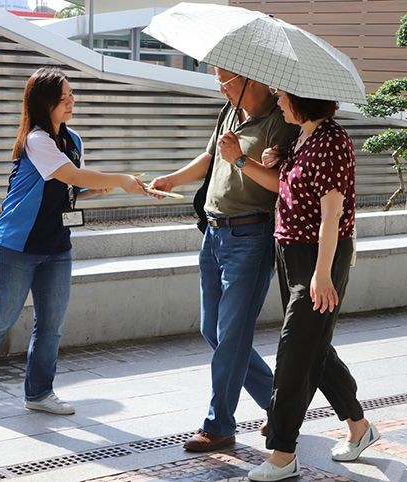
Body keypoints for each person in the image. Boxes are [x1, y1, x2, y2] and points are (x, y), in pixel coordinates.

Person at [0, 67, 146, 416]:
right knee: (1, 318)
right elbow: (69, 173)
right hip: (17, 245)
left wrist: (95, 189)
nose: (71, 102)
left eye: (72, 95)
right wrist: (119, 179)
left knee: (51, 325)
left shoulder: (73, 140)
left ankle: (39, 393)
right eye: (63, 97)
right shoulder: (36, 140)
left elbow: (71, 186)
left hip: (57, 245)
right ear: (44, 103)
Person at [218, 90, 379, 480]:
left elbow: (332, 214)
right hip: (290, 254)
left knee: (293, 352)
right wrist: (241, 159)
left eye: (283, 96)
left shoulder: (333, 141)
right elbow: (280, 187)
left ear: (304, 100)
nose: (278, 101)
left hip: (320, 257)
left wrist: (322, 275)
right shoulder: (301, 137)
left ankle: (283, 452)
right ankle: (360, 428)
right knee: (314, 346)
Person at [149, 68, 298, 452]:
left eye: (226, 80)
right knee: (213, 331)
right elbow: (210, 157)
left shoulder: (282, 121)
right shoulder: (229, 111)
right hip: (213, 233)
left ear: (253, 79)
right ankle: (278, 405)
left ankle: (219, 426)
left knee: (231, 336)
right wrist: (172, 179)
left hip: (251, 237)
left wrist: (241, 159)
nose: (221, 87)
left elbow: (281, 182)